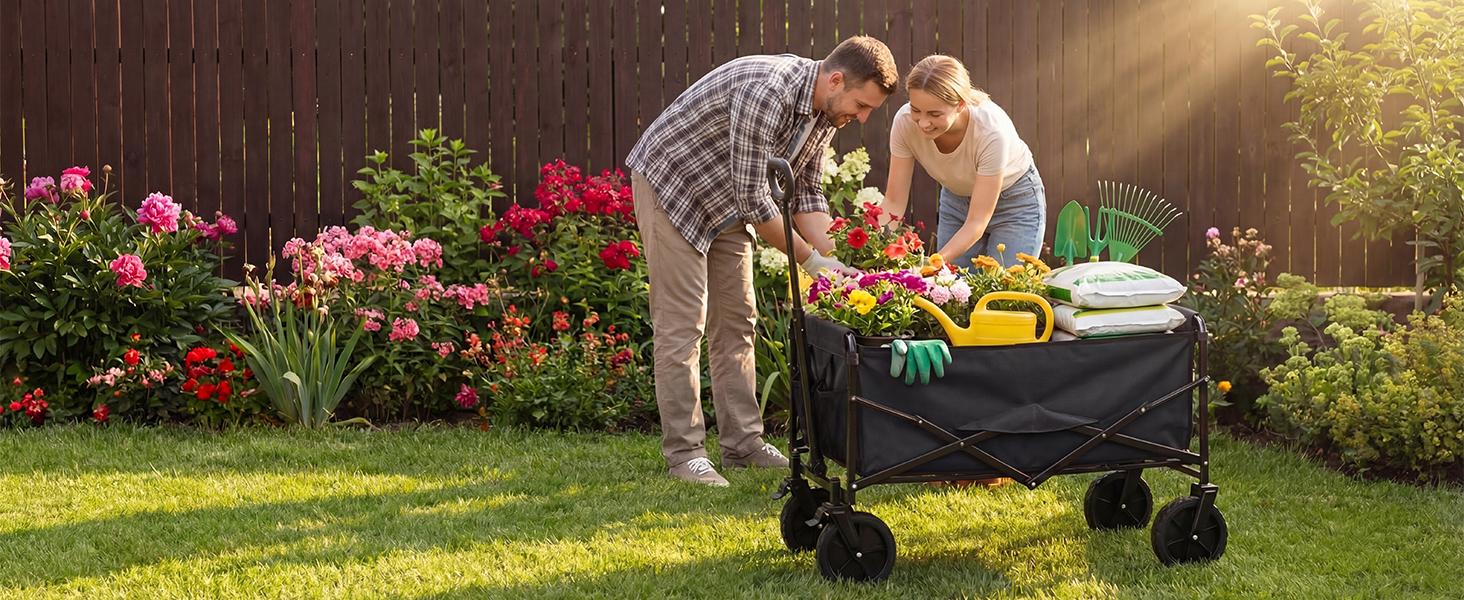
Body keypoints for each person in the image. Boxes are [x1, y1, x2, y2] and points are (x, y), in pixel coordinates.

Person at [626, 37, 898, 486]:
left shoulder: (824, 112)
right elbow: (756, 198)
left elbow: (806, 192)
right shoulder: (767, 90)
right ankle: (685, 454)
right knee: (682, 324)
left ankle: (743, 444)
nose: (863, 117)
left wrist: (837, 263)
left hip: (725, 199)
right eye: (862, 104)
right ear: (835, 80)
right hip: (673, 187)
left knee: (738, 320)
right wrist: (811, 262)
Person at [879, 55, 1045, 268]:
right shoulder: (904, 123)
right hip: (957, 200)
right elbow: (893, 202)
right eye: (916, 110)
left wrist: (932, 264)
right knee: (953, 291)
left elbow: (977, 220)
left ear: (960, 104)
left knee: (1005, 292)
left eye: (935, 114)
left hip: (1015, 204)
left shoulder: (991, 131)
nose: (923, 122)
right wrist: (872, 250)